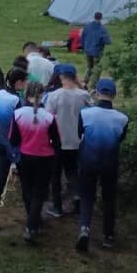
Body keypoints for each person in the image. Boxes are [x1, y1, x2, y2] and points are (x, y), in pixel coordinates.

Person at [75, 78, 129, 252]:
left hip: (88, 160)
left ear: (97, 93)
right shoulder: (122, 119)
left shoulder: (85, 113)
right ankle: (108, 236)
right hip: (109, 163)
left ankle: (84, 228)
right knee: (108, 199)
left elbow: (80, 132)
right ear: (114, 95)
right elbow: (120, 139)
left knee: (87, 195)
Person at [10, 81, 61, 244]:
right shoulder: (49, 117)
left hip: (25, 156)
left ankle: (32, 218)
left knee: (27, 190)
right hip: (45, 158)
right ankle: (32, 226)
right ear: (42, 96)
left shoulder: (17, 114)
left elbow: (13, 139)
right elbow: (57, 141)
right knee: (40, 192)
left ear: (26, 94)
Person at [46, 64, 90, 218]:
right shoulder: (83, 95)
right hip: (77, 141)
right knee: (72, 171)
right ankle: (77, 197)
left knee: (56, 174)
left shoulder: (54, 96)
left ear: (61, 77)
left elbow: (47, 117)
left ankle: (57, 207)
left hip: (58, 140)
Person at [0, 67, 29, 231]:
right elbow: (21, 122)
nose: (26, 85)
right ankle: (32, 219)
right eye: (24, 82)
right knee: (26, 181)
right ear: (18, 82)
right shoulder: (16, 100)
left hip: (1, 139)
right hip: (15, 144)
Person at [81, 12, 112, 87]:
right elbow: (107, 41)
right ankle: (93, 85)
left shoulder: (87, 26)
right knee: (97, 69)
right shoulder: (102, 29)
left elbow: (82, 38)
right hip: (97, 51)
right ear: (101, 18)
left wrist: (84, 47)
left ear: (94, 17)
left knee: (89, 66)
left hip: (87, 50)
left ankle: (85, 82)